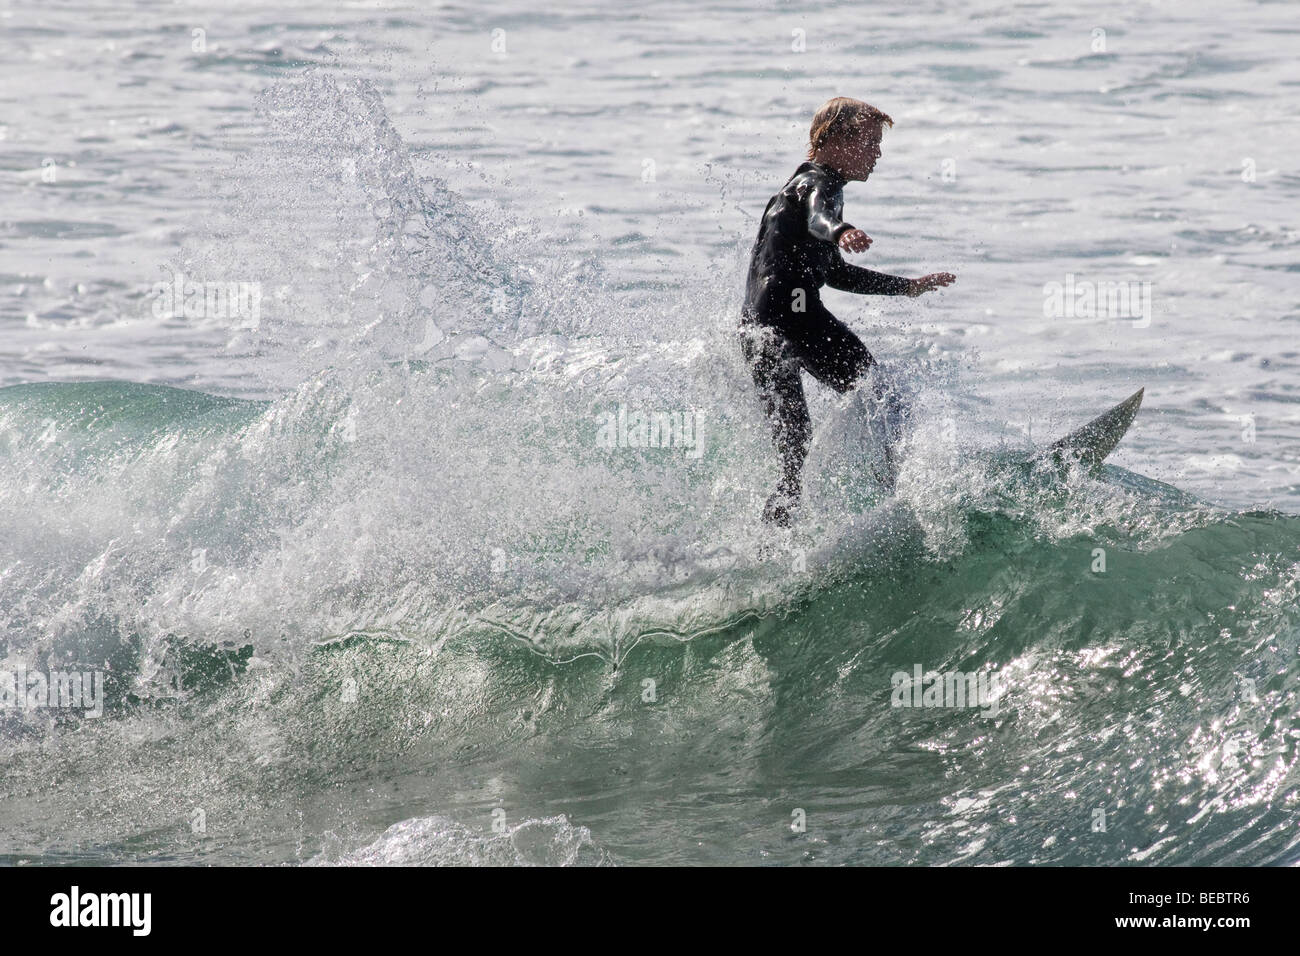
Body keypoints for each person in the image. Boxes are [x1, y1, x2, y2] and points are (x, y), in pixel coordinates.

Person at [740, 97, 956, 526]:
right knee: (883, 397)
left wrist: (907, 288)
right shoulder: (818, 185)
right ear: (836, 139)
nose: (877, 154)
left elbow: (836, 274)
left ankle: (773, 542)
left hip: (758, 331)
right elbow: (821, 217)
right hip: (796, 320)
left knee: (794, 453)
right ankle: (898, 499)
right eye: (870, 142)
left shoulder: (792, 191)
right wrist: (841, 230)